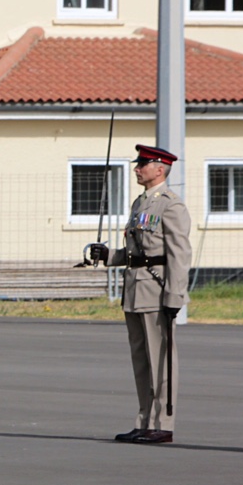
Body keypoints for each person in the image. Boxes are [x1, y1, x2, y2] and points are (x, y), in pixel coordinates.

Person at [87, 145, 192, 444]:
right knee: (142, 360)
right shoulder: (140, 203)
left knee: (161, 360)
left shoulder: (170, 205)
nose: (137, 168)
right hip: (135, 289)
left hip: (157, 291)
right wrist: (108, 256)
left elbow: (179, 254)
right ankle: (145, 419)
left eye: (143, 164)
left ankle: (163, 423)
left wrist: (175, 296)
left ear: (160, 168)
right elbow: (137, 253)